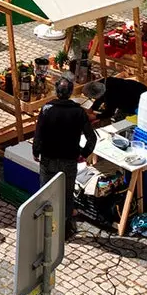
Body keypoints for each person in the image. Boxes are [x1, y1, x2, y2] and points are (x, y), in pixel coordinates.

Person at [32, 79, 98, 224]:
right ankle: (65, 225)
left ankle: (44, 224)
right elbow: (91, 138)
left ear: (56, 91)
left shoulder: (46, 109)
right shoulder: (79, 112)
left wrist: (36, 152)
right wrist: (84, 154)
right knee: (68, 195)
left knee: (45, 193)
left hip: (48, 158)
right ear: (70, 93)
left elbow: (39, 134)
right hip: (69, 160)